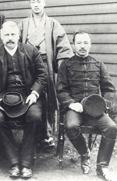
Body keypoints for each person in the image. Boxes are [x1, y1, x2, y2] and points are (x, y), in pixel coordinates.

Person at [0, 21, 47, 178]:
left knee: (34, 116)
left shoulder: (31, 51)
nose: (10, 38)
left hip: (27, 96)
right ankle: (13, 161)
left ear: (19, 36)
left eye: (13, 34)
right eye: (6, 35)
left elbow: (42, 75)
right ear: (1, 36)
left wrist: (34, 94)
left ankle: (26, 163)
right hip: (3, 98)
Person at [56, 30, 116, 181]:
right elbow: (61, 89)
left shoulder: (98, 64)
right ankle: (85, 154)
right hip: (74, 108)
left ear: (90, 45)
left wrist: (104, 106)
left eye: (85, 43)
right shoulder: (66, 65)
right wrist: (71, 103)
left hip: (95, 110)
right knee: (70, 126)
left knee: (111, 127)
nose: (82, 46)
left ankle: (102, 167)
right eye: (79, 43)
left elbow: (109, 89)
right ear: (74, 45)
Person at [18, 0, 73, 147]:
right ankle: (31, 134)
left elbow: (64, 49)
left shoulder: (53, 24)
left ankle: (47, 134)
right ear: (29, 4)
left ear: (45, 3)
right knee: (30, 97)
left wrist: (61, 67)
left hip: (46, 65)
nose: (36, 5)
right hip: (27, 67)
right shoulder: (23, 24)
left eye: (39, 1)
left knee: (47, 100)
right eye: (33, 2)